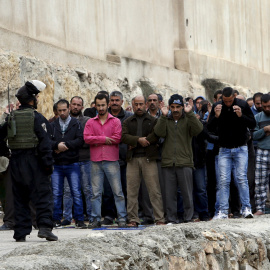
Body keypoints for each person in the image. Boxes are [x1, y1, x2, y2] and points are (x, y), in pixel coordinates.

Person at [0, 80, 57, 242]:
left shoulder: (11, 117)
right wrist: (48, 164)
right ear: (32, 100)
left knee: (20, 197)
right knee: (43, 195)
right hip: (35, 161)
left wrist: (7, 152)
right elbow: (45, 143)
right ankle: (45, 228)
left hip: (16, 162)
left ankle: (20, 232)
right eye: (36, 97)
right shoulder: (37, 118)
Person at [207, 87, 256, 219]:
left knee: (241, 178)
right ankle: (222, 211)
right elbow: (209, 128)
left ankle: (246, 208)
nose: (227, 103)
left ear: (234, 96)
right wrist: (216, 117)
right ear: (222, 98)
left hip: (241, 147)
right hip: (224, 149)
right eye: (225, 101)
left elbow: (253, 124)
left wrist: (241, 116)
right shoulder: (218, 106)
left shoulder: (242, 104)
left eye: (230, 101)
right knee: (223, 180)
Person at [154, 94, 203, 223]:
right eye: (173, 107)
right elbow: (158, 132)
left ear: (182, 107)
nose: (175, 110)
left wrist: (190, 113)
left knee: (187, 194)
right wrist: (163, 117)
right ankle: (171, 219)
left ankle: (188, 218)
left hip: (185, 162)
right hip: (168, 162)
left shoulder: (188, 119)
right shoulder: (166, 119)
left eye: (178, 107)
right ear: (169, 107)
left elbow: (198, 129)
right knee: (169, 195)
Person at [84, 93, 127, 228]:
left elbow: (117, 138)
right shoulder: (90, 122)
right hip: (96, 160)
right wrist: (103, 139)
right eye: (98, 105)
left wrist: (96, 139)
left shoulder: (115, 121)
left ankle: (122, 218)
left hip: (111, 160)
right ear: (95, 105)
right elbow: (86, 138)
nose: (101, 108)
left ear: (107, 104)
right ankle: (95, 219)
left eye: (103, 105)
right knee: (95, 193)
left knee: (117, 191)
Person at [122, 95, 165, 227]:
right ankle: (133, 219)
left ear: (145, 105)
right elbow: (123, 136)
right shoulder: (127, 121)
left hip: (149, 159)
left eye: (141, 104)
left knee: (154, 190)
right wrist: (138, 140)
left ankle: (159, 218)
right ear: (133, 105)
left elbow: (156, 135)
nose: (139, 107)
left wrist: (139, 141)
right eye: (136, 104)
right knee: (132, 190)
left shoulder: (153, 120)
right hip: (132, 159)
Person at [50, 99, 86, 228]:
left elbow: (81, 140)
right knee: (56, 193)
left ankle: (79, 220)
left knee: (76, 192)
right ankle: (56, 219)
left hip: (72, 162)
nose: (62, 113)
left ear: (69, 108)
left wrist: (64, 145)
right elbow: (48, 141)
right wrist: (56, 146)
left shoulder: (76, 123)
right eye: (59, 111)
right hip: (57, 164)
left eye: (64, 110)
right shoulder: (53, 125)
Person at [101, 91, 132, 225]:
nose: (114, 102)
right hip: (108, 158)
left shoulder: (129, 117)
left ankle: (125, 215)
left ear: (122, 102)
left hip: (125, 159)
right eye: (112, 100)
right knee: (108, 190)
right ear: (109, 102)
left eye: (117, 100)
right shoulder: (103, 117)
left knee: (125, 189)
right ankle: (109, 215)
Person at [61, 96, 93, 226]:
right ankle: (67, 217)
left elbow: (87, 140)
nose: (75, 107)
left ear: (82, 107)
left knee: (88, 189)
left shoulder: (87, 121)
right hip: (69, 160)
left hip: (85, 159)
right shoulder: (64, 121)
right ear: (69, 106)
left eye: (78, 105)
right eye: (73, 104)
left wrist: (70, 143)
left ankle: (92, 216)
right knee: (68, 190)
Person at [253, 94, 270, 216]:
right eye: (265, 106)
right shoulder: (257, 117)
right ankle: (260, 208)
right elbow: (253, 136)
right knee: (260, 182)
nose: (267, 109)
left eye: (269, 106)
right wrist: (265, 130)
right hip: (261, 151)